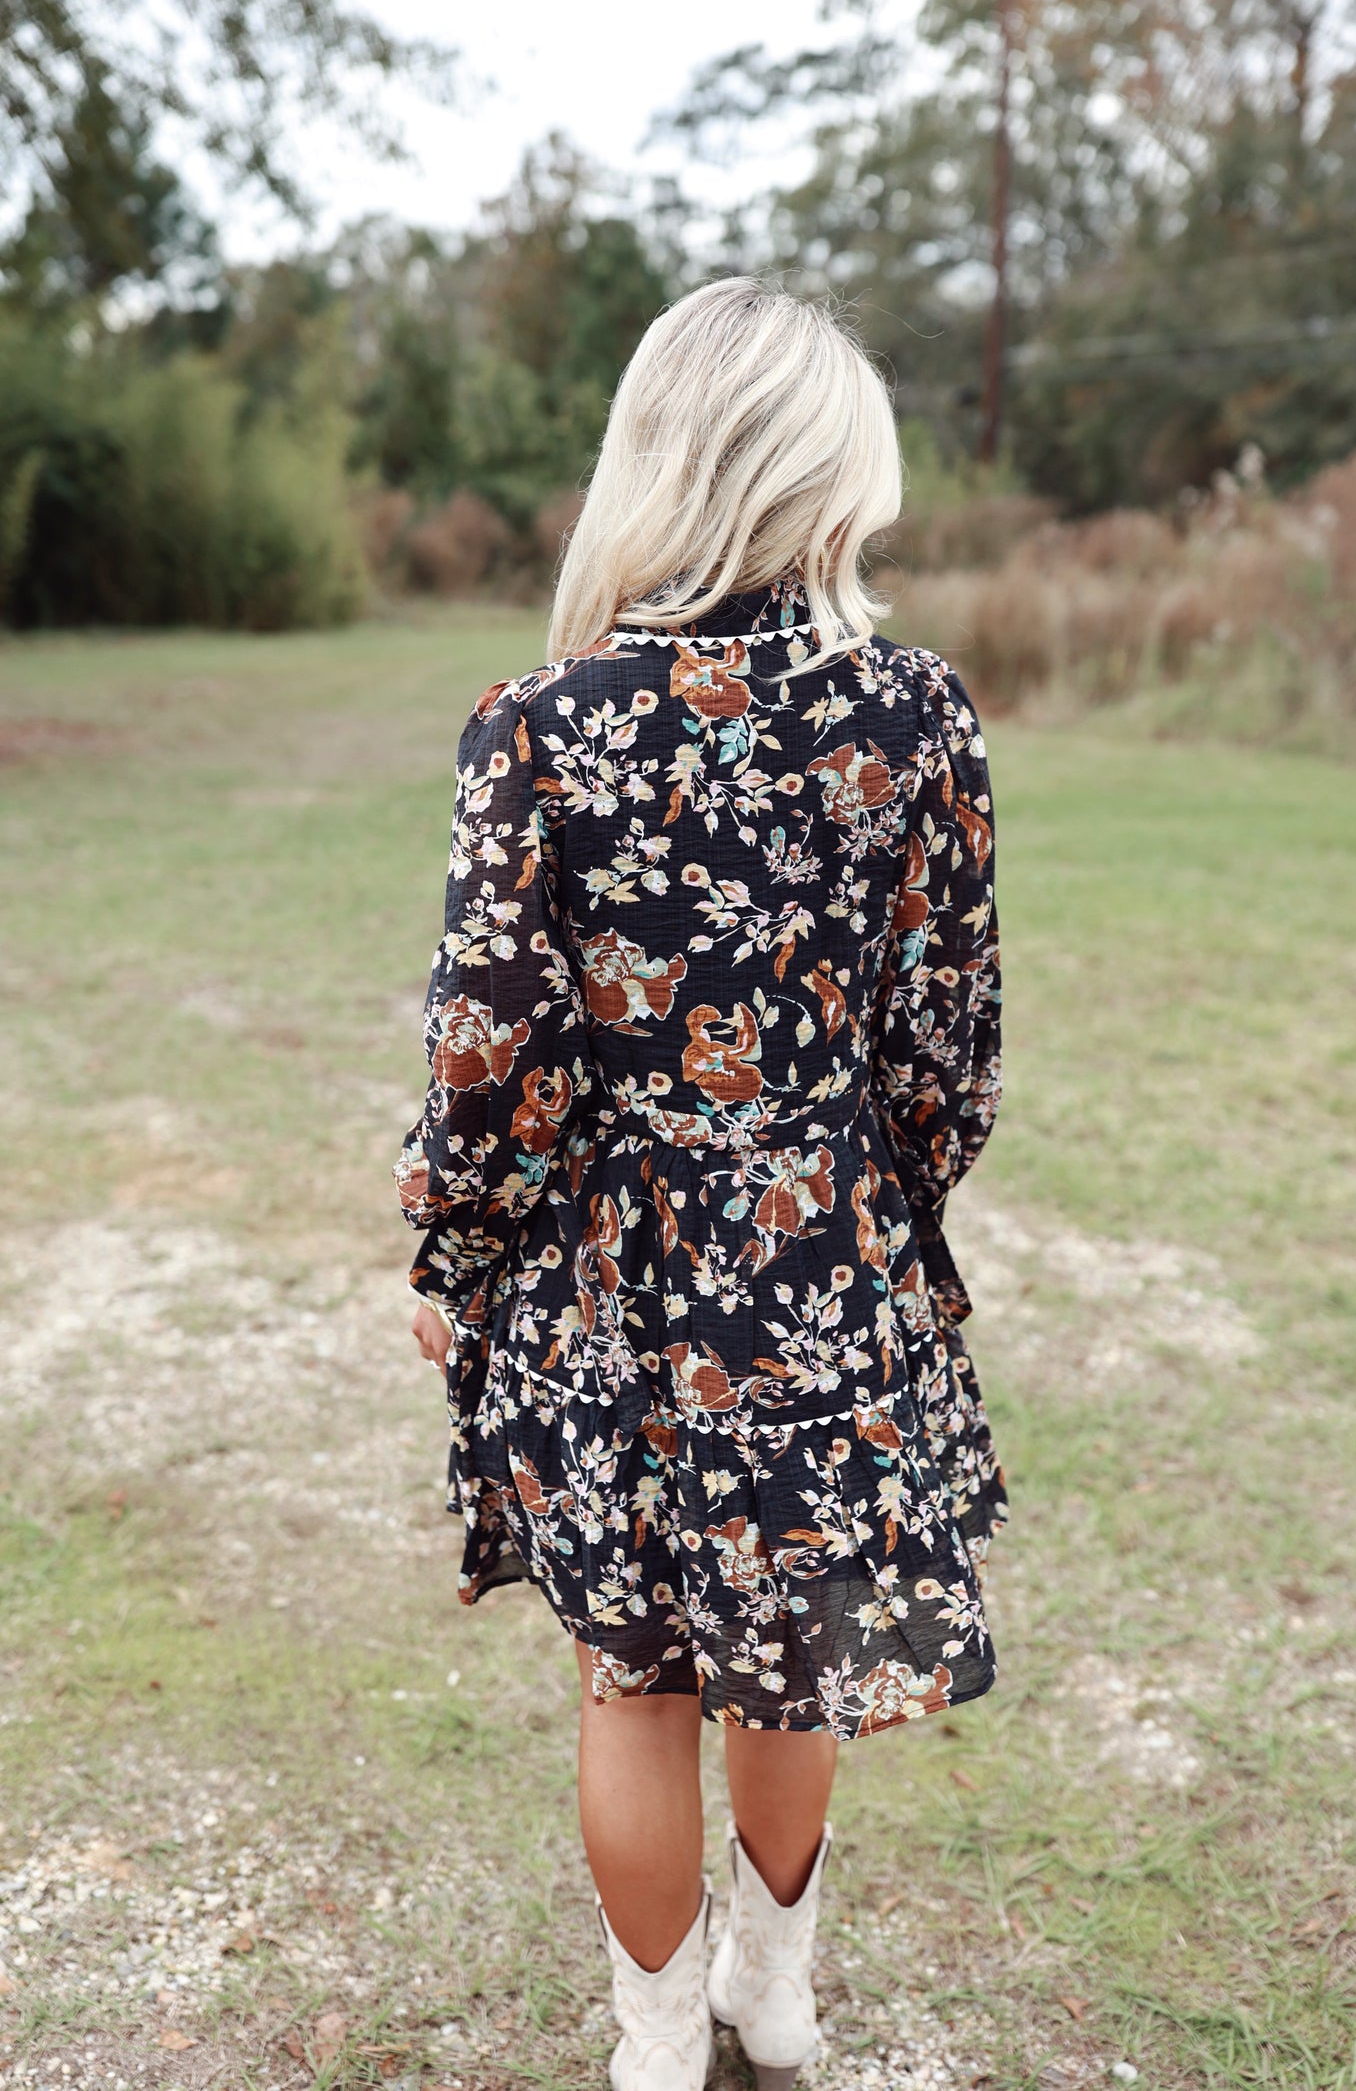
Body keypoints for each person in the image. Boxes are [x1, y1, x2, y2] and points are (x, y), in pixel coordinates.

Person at [396, 275, 1006, 2091]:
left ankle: (660, 2046)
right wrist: (856, 1211)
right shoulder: (921, 720)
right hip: (827, 1261)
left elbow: (482, 1056)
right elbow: (946, 1058)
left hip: (605, 1280)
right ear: (833, 468)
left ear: (653, 458)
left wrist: (454, 1252)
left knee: (635, 1679)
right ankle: (776, 1995)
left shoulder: (542, 727)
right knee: (797, 1644)